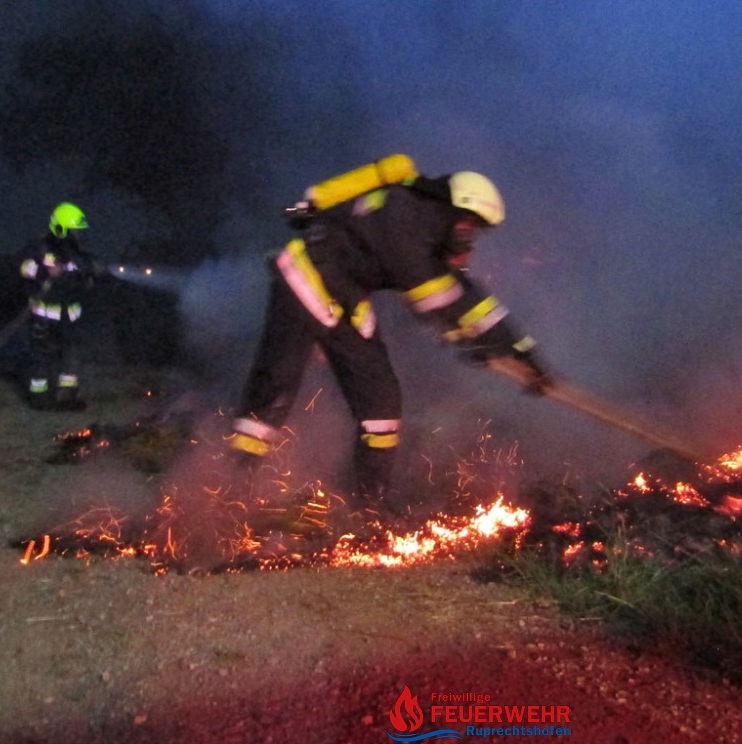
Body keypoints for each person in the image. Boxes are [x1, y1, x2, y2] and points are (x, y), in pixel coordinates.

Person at [229, 157, 552, 515]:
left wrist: (522, 351)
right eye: (469, 225)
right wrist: (472, 340)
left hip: (345, 299)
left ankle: (369, 510)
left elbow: (469, 298)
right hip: (303, 279)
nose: (468, 236)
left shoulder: (425, 226)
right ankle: (229, 496)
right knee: (275, 388)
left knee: (382, 401)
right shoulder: (406, 222)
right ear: (453, 208)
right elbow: (437, 298)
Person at [18, 202, 97, 410]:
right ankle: (39, 399)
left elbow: (85, 276)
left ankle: (67, 396)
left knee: (70, 356)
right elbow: (25, 270)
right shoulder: (39, 248)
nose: (78, 235)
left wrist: (90, 272)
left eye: (79, 231)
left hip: (70, 316)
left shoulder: (79, 253)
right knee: (41, 358)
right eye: (74, 230)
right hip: (44, 315)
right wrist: (46, 272)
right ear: (61, 229)